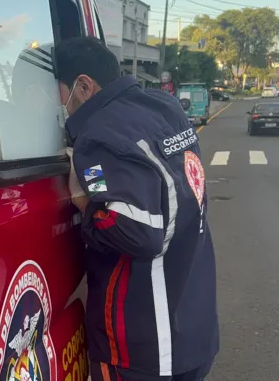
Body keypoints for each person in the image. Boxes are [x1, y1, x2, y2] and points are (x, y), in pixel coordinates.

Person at [55, 36, 219, 381]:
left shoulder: (97, 137)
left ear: (83, 85)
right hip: (194, 329)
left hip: (144, 350)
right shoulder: (164, 107)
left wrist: (85, 200)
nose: (60, 105)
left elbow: (135, 231)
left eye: (59, 91)